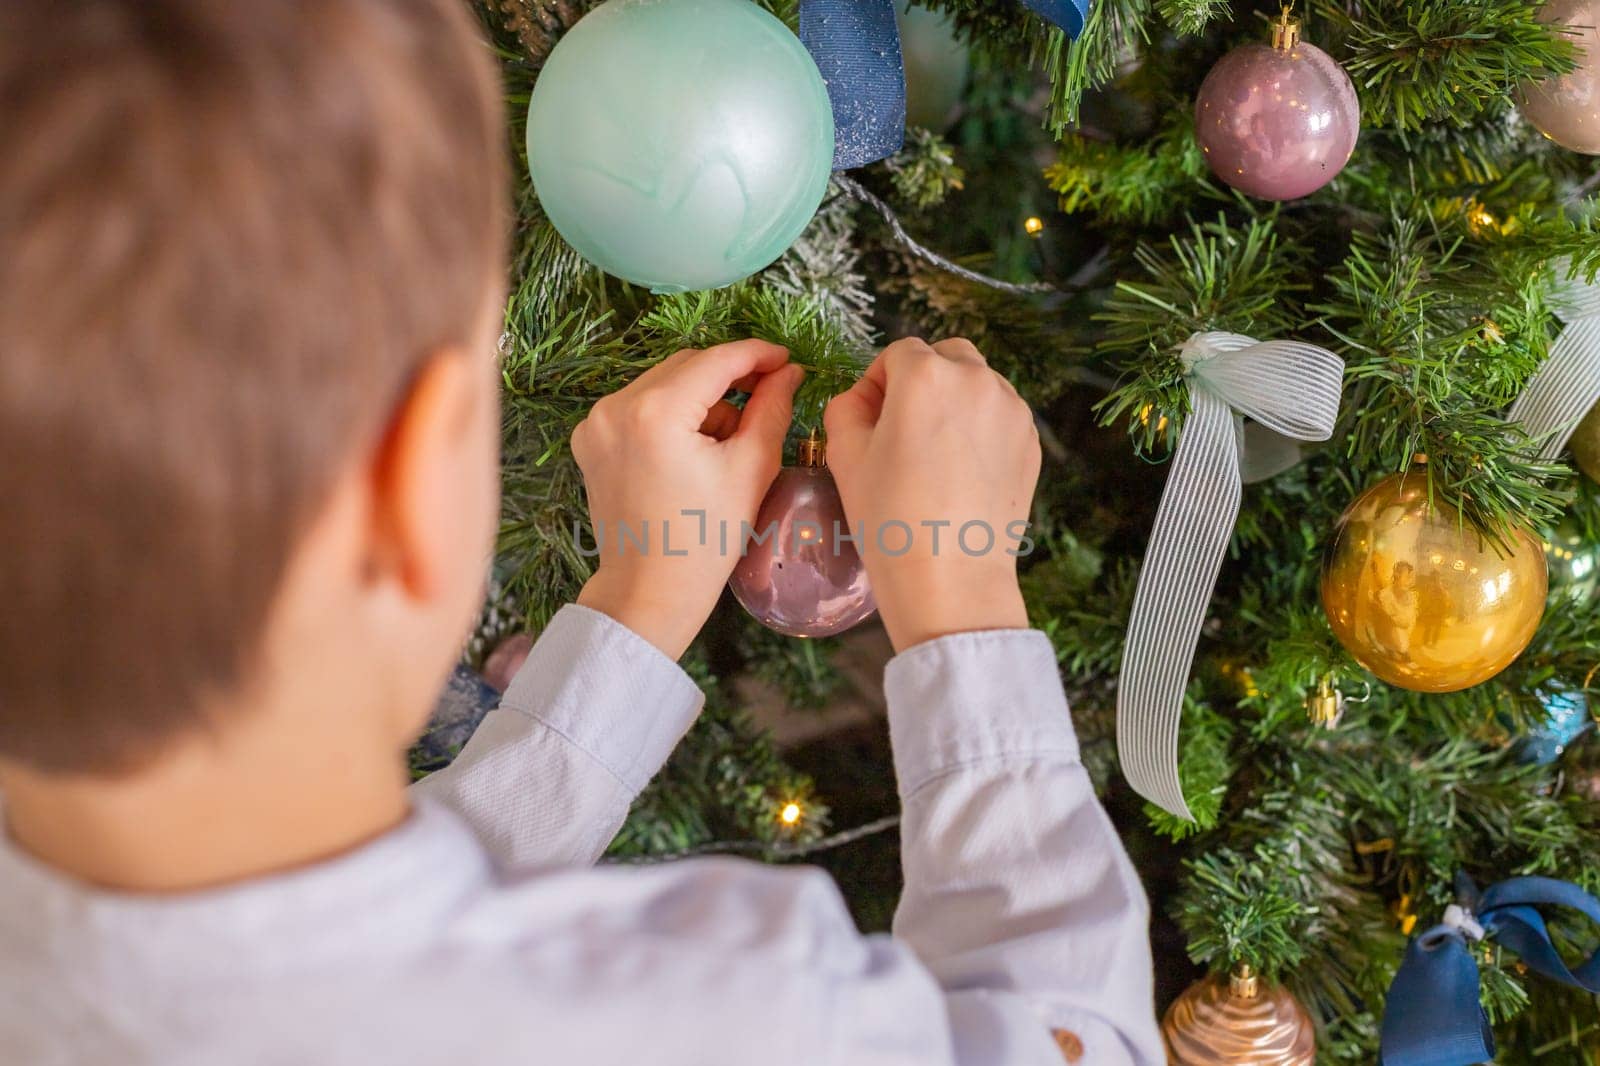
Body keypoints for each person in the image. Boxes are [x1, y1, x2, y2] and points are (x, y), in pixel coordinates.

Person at [0, 1, 1159, 1063]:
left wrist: (636, 608)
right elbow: (1076, 1035)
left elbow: (327, 968)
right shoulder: (731, 1010)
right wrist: (960, 601)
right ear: (411, 482)